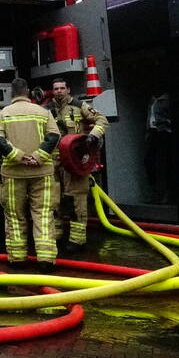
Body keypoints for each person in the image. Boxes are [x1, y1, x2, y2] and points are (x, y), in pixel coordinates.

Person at [0, 78, 61, 272]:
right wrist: (37, 157)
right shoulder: (43, 112)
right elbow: (54, 136)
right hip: (42, 171)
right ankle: (46, 260)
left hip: (13, 174)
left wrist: (19, 157)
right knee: (43, 214)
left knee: (14, 215)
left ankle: (17, 259)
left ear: (11, 93)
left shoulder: (2, 115)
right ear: (28, 92)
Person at [46, 77, 108, 254]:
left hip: (74, 160)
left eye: (61, 88)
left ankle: (77, 241)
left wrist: (93, 136)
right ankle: (57, 237)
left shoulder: (79, 106)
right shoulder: (47, 111)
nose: (58, 91)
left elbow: (102, 120)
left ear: (68, 89)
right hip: (54, 162)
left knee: (77, 200)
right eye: (55, 88)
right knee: (53, 201)